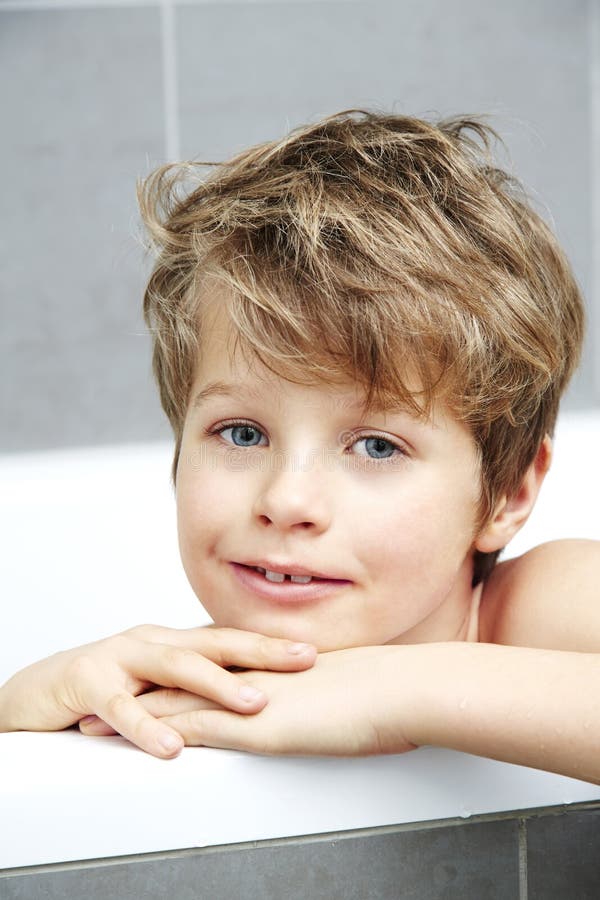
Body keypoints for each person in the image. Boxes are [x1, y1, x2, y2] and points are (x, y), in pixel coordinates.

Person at [1, 110, 599, 783]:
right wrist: (22, 704)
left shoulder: (534, 607)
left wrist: (390, 692)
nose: (286, 501)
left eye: (376, 447)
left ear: (508, 492)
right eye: (242, 433)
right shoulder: (194, 675)